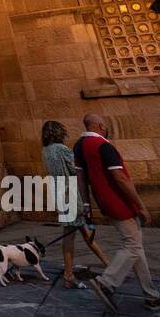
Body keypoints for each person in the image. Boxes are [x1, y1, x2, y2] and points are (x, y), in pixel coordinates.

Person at [75, 114, 160, 313]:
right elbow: (120, 178)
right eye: (106, 126)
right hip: (120, 203)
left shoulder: (78, 146)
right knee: (132, 245)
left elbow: (80, 177)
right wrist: (140, 205)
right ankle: (106, 282)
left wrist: (87, 205)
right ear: (101, 126)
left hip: (104, 203)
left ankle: (151, 296)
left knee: (135, 246)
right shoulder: (104, 146)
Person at [40, 120, 109, 288]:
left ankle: (108, 266)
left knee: (80, 233)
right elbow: (76, 169)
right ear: (59, 133)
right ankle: (70, 274)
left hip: (59, 194)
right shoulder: (62, 149)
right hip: (71, 194)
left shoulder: (45, 151)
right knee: (79, 233)